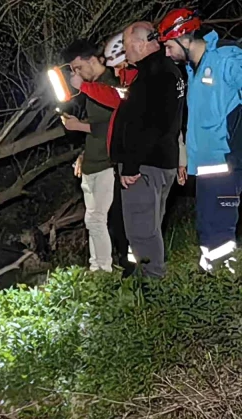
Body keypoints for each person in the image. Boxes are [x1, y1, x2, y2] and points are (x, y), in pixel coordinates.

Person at [158, 8, 242, 273]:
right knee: (207, 228)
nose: (167, 54)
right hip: (204, 166)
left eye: (169, 46)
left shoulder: (226, 59)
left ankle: (225, 287)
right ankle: (214, 285)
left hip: (225, 162)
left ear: (184, 36)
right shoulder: (193, 71)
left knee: (219, 229)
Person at [106, 21, 185, 278]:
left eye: (128, 46)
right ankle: (147, 280)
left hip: (145, 166)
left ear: (141, 43)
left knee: (141, 230)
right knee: (148, 227)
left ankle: (153, 288)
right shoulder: (163, 71)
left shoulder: (157, 75)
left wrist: (131, 165)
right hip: (157, 163)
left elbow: (151, 125)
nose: (125, 52)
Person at [60, 39, 120, 273]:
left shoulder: (109, 84)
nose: (77, 74)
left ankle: (103, 269)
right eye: (73, 70)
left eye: (78, 68)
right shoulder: (91, 87)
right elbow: (95, 125)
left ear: (93, 59)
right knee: (91, 219)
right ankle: (96, 266)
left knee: (97, 218)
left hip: (108, 162)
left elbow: (111, 126)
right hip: (91, 163)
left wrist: (78, 127)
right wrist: (83, 154)